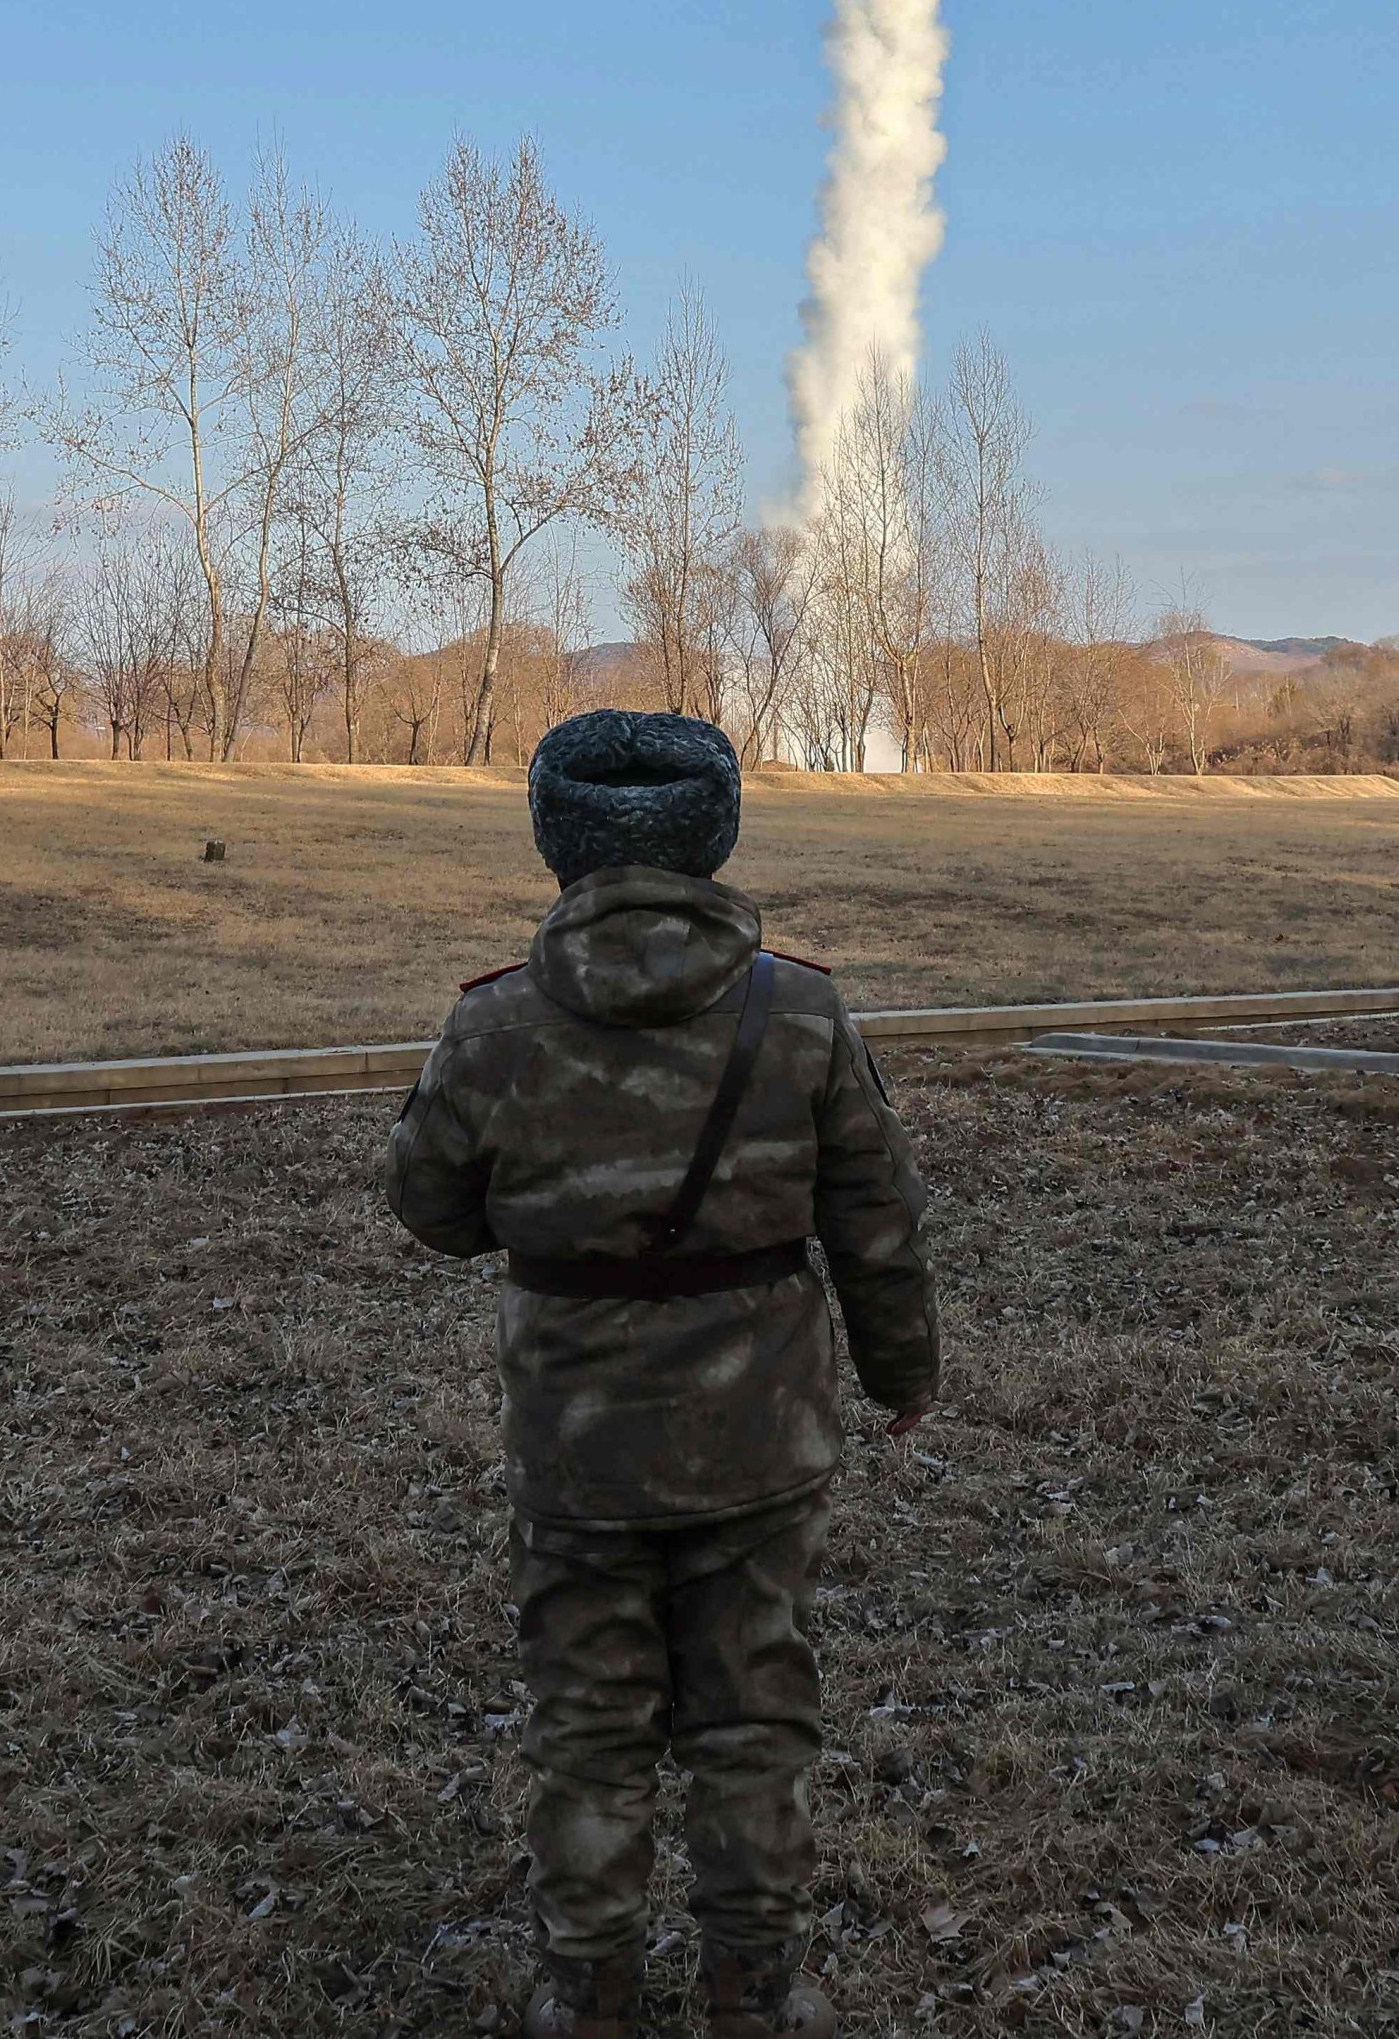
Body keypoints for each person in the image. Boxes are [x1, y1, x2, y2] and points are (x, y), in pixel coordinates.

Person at [389, 710, 942, 2039]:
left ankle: (585, 1996)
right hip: (761, 1436)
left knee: (588, 1728)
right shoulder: (797, 1010)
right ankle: (755, 1991)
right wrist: (897, 1370)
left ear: (553, 838)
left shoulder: (495, 1024)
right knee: (753, 1716)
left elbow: (428, 1206)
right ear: (717, 831)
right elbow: (876, 1217)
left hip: (576, 1446)